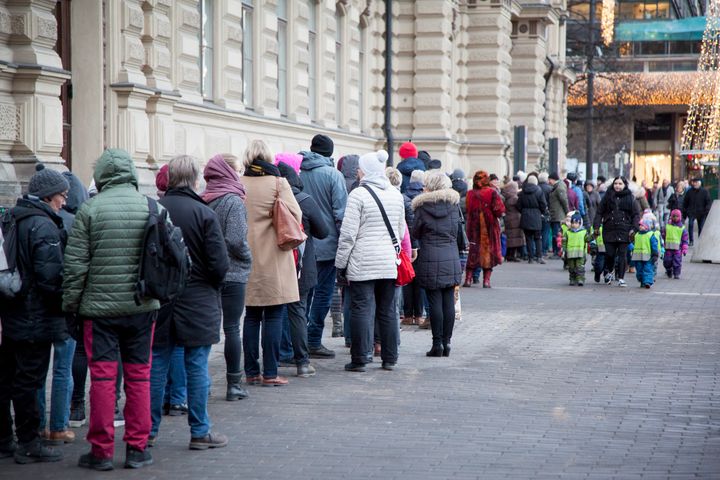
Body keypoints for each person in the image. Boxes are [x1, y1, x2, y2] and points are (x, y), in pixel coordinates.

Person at [63, 149, 159, 469]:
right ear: (131, 173)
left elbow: (76, 266)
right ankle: (137, 449)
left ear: (101, 175)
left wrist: (71, 306)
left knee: (103, 380)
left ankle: (101, 452)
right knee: (138, 376)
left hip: (99, 311)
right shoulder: (151, 207)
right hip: (143, 308)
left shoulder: (89, 210)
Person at [152, 155, 230, 451]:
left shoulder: (155, 211)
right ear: (196, 179)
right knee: (196, 363)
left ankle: (148, 431)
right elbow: (219, 264)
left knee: (157, 361)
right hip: (198, 296)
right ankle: (200, 431)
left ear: (169, 178)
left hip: (161, 298)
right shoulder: (204, 213)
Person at [1, 166, 69, 464]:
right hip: (36, 318)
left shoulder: (14, 218)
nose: (64, 202)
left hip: (13, 314)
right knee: (29, 381)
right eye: (61, 196)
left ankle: (5, 440)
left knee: (8, 379)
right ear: (48, 196)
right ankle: (29, 441)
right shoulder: (43, 227)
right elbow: (50, 279)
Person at [336, 150, 405, 372]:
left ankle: (360, 357)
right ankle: (390, 358)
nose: (357, 171)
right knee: (388, 310)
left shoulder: (358, 195)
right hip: (387, 261)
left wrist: (341, 263)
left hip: (362, 262)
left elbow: (348, 235)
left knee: (361, 309)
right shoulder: (396, 194)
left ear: (365, 171)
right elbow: (401, 230)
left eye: (360, 168)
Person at [243, 140, 303, 385]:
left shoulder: (239, 182)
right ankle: (270, 373)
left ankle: (249, 372)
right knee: (274, 316)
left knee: (251, 316)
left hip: (246, 257)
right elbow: (295, 215)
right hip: (275, 257)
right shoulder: (279, 183)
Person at [37, 170, 88, 446]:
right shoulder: (72, 222)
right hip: (64, 306)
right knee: (62, 368)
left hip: (37, 308)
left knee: (37, 370)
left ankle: (36, 427)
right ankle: (58, 424)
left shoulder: (26, 219)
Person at [202, 153, 252, 401]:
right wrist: (247, 258)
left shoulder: (203, 198)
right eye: (238, 170)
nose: (240, 174)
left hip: (208, 273)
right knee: (232, 328)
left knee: (208, 330)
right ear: (229, 172)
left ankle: (203, 383)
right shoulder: (233, 200)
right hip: (233, 271)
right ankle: (234, 384)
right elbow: (236, 240)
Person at [276, 155, 330, 377]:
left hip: (276, 263)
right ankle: (302, 362)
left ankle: (274, 357)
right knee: (298, 311)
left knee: (273, 311)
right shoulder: (305, 200)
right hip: (301, 264)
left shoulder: (270, 199)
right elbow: (323, 231)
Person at [300, 134, 347, 359]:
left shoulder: (298, 170)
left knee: (302, 295)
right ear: (330, 153)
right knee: (323, 294)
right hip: (327, 246)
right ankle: (313, 340)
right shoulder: (333, 175)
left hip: (300, 244)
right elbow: (341, 214)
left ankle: (297, 341)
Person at [411, 172, 462, 357]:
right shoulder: (454, 206)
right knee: (449, 300)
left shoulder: (422, 207)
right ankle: (447, 343)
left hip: (430, 256)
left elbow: (415, 232)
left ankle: (437, 344)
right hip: (451, 256)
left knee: (434, 303)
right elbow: (457, 232)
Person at [593, 176, 640, 288]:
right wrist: (596, 226)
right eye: (615, 183)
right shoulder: (607, 197)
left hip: (625, 230)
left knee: (623, 254)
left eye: (620, 184)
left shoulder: (630, 198)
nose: (617, 186)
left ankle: (621, 278)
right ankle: (609, 271)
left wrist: (634, 228)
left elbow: (636, 215)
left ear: (624, 185)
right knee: (610, 254)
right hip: (609, 229)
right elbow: (599, 212)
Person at [465, 171, 505, 288]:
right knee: (488, 253)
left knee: (472, 252)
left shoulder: (470, 194)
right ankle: (486, 281)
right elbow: (499, 210)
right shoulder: (492, 193)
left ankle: (468, 279)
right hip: (489, 228)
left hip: (473, 227)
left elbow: (467, 209)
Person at [402, 170, 426, 326]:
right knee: (419, 281)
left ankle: (408, 315)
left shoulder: (403, 196)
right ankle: (418, 314)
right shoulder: (424, 198)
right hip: (420, 244)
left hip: (406, 243)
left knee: (407, 280)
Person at [518, 175, 548, 264]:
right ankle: (539, 257)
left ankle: (530, 258)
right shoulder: (539, 191)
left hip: (525, 216)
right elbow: (543, 204)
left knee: (528, 238)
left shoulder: (523, 192)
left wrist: (523, 211)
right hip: (536, 216)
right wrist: (541, 212)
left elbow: (518, 205)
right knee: (538, 238)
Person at [629, 218, 659, 288]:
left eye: (642, 225)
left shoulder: (650, 235)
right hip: (638, 257)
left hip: (648, 257)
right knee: (639, 270)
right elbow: (633, 244)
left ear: (647, 226)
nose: (640, 227)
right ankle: (642, 281)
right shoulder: (636, 235)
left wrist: (655, 254)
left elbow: (654, 245)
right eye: (639, 225)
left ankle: (647, 282)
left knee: (647, 269)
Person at [563, 212, 590, 286]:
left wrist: (594, 236)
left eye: (576, 223)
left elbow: (588, 239)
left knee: (580, 267)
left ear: (580, 223)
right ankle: (572, 279)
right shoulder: (568, 232)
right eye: (573, 223)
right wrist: (564, 250)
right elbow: (564, 242)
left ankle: (580, 279)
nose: (574, 224)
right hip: (570, 254)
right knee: (571, 267)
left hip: (580, 254)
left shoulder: (583, 232)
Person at [682, 178, 712, 246]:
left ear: (699, 183)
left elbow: (708, 202)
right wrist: (685, 212)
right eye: (694, 182)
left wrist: (706, 210)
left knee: (701, 227)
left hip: (702, 213)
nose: (694, 184)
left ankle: (700, 240)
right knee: (690, 225)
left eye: (696, 182)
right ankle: (691, 240)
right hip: (691, 212)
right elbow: (685, 202)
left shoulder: (704, 191)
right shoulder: (689, 191)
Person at [501, 181, 524, 263]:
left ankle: (508, 254)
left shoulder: (506, 197)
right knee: (514, 238)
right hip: (515, 219)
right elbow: (519, 207)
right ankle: (512, 256)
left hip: (508, 219)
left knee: (510, 237)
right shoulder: (514, 198)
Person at [663, 209, 689, 279]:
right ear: (671, 216)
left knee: (677, 261)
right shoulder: (667, 226)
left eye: (677, 216)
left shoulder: (682, 228)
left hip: (678, 249)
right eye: (673, 216)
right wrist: (662, 244)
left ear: (680, 217)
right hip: (668, 248)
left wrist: (684, 249)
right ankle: (669, 270)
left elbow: (685, 239)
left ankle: (676, 273)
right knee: (667, 261)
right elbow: (663, 235)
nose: (675, 218)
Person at [548, 172, 569, 258]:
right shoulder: (557, 187)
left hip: (558, 215)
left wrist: (567, 212)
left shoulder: (559, 187)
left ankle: (557, 252)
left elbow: (564, 200)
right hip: (555, 214)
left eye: (549, 179)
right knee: (555, 234)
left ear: (553, 179)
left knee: (557, 235)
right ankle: (555, 251)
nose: (548, 181)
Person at [538, 173, 553, 255]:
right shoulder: (550, 189)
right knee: (546, 232)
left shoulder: (537, 188)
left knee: (538, 233)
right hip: (547, 212)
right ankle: (544, 250)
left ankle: (538, 250)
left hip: (538, 213)